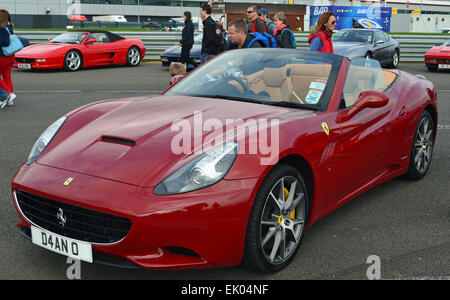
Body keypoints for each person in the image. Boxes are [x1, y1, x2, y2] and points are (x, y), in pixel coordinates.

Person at [0, 9, 16, 108]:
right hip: (10, 56)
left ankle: (8, 96)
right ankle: (10, 100)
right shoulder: (9, 27)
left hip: (2, 56)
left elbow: (5, 42)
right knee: (7, 77)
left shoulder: (1, 28)